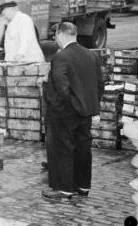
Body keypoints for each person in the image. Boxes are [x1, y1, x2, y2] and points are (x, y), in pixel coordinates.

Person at [42, 21, 101, 201]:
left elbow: (61, 86)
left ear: (60, 34)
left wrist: (66, 104)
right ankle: (82, 186)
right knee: (83, 149)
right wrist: (91, 107)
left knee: (62, 148)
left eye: (55, 37)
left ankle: (64, 188)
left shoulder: (61, 57)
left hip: (65, 112)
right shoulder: (91, 55)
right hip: (85, 111)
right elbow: (99, 84)